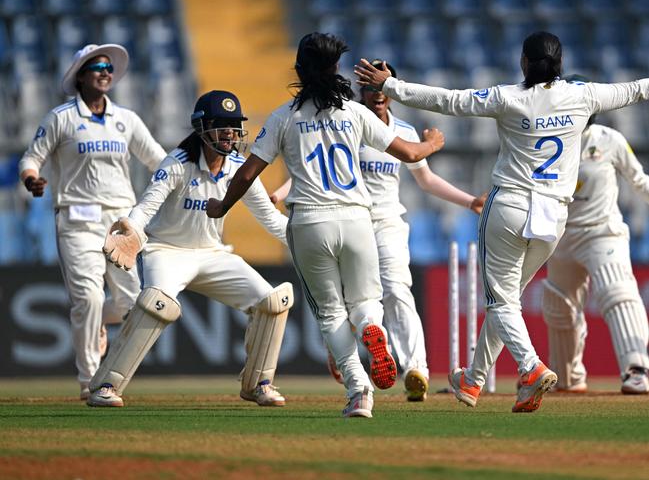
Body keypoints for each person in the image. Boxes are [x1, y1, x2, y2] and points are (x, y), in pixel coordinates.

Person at [355, 31, 649, 412]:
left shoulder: (508, 97)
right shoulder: (585, 95)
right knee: (506, 300)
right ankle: (474, 381)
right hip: (554, 216)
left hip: (509, 207)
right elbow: (638, 89)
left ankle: (530, 368)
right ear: (559, 64)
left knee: (500, 301)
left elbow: (448, 101)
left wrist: (389, 84)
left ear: (524, 63)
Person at [204, 33, 445, 418]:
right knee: (366, 303)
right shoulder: (356, 113)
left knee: (331, 314)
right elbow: (412, 152)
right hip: (357, 219)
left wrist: (221, 207)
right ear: (336, 70)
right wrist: (432, 142)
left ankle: (359, 392)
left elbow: (247, 173)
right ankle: (373, 329)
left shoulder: (285, 115)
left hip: (311, 223)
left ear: (299, 69)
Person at [270, 59, 485, 402]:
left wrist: (470, 201)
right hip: (348, 219)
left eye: (381, 86)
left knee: (397, 290)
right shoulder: (347, 121)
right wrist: (280, 194)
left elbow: (425, 179)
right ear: (360, 92)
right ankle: (345, 349)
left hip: (386, 223)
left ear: (391, 91)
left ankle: (416, 369)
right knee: (346, 301)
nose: (376, 93)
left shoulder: (405, 131)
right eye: (368, 87)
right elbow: (313, 166)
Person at [86, 90, 292, 408]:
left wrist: (307, 240)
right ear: (201, 127)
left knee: (272, 302)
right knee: (157, 303)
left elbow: (271, 220)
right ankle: (106, 386)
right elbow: (146, 206)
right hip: (167, 251)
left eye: (234, 125)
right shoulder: (177, 163)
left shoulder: (240, 168)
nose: (230, 132)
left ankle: (258, 384)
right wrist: (130, 227)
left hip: (213, 254)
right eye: (221, 124)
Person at [18, 44, 167, 400]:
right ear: (79, 76)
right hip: (77, 218)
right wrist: (31, 179)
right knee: (87, 297)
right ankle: (91, 378)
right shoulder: (61, 118)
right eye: (97, 66)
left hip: (121, 222)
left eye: (109, 68)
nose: (105, 72)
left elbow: (159, 162)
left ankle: (99, 324)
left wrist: (177, 186)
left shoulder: (126, 119)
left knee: (133, 305)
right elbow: (31, 158)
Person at [543, 75, 649, 395]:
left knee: (617, 292)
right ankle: (567, 377)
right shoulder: (548, 140)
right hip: (560, 236)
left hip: (602, 233)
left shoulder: (608, 139)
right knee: (559, 307)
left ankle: (636, 368)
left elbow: (639, 180)